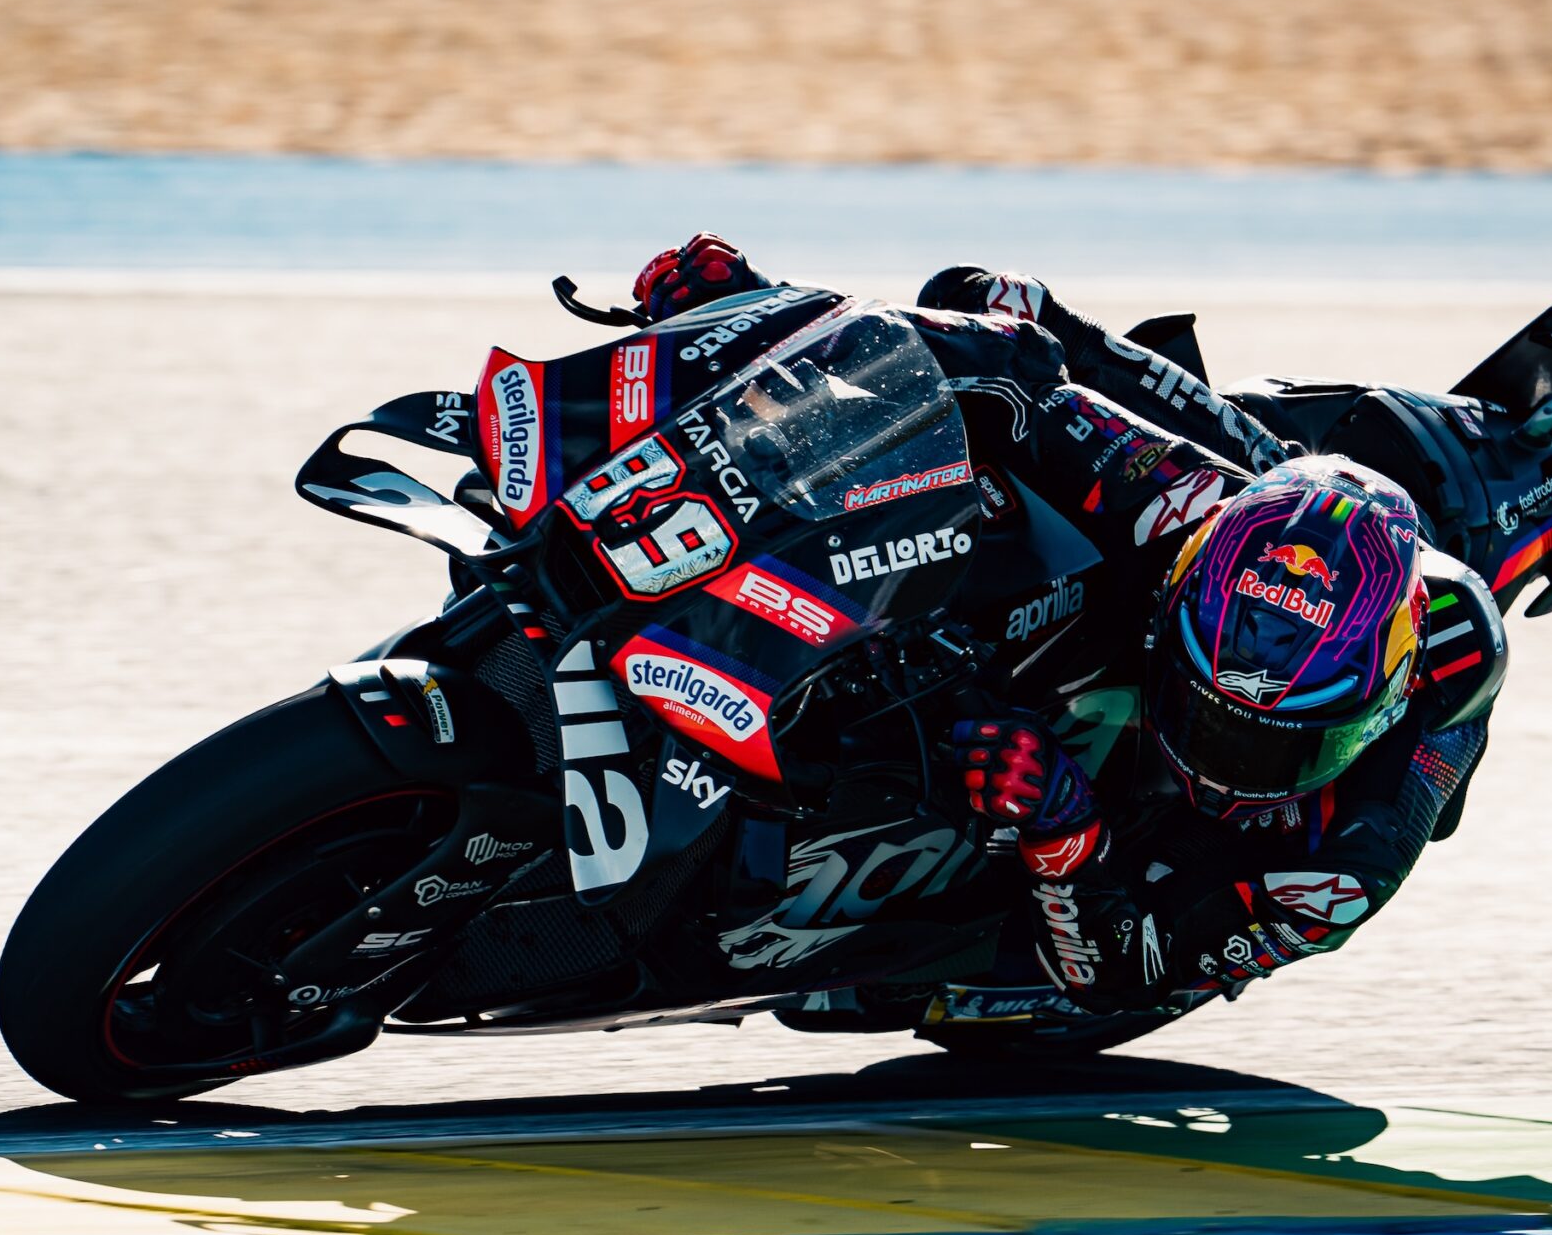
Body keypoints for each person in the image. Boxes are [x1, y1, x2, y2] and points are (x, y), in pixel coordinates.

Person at [632, 234, 1506, 1014]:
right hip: (1234, 498)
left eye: (1272, 748)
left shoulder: (1351, 854)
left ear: (1377, 709)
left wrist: (1065, 828)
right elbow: (1004, 371)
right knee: (988, 309)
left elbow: (1128, 975)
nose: (1220, 766)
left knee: (969, 981)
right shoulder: (1177, 503)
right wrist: (757, 318)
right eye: (1206, 715)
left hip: (1152, 883)